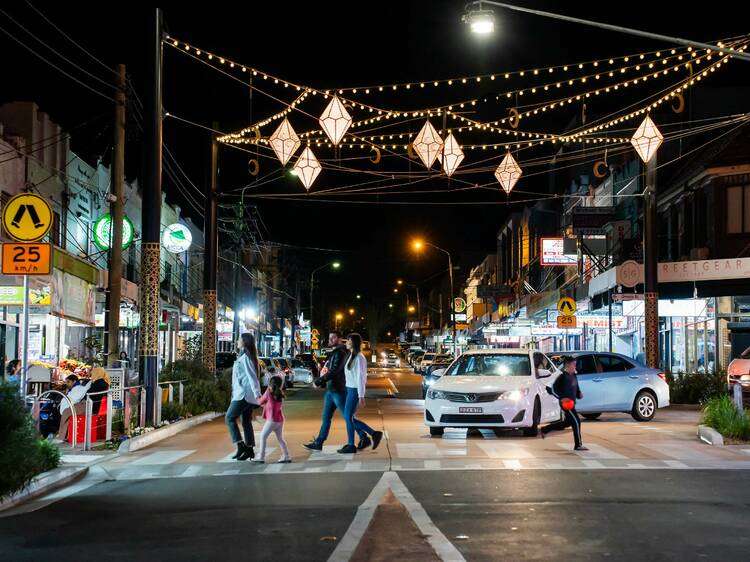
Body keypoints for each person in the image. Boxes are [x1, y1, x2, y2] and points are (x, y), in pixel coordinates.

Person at [303, 331, 348, 451]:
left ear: (339, 339)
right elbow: (329, 370)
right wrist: (323, 380)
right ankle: (319, 442)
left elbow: (334, 371)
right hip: (331, 390)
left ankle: (365, 435)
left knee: (347, 417)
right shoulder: (335, 352)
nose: (331, 340)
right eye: (330, 337)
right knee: (326, 417)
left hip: (338, 390)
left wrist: (318, 381)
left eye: (333, 337)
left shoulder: (340, 353)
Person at [339, 333, 383, 454]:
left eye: (348, 340)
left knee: (348, 417)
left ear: (353, 342)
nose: (346, 342)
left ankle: (352, 444)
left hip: (354, 390)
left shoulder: (359, 358)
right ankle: (373, 434)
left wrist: (361, 395)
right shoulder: (351, 356)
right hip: (349, 389)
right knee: (349, 417)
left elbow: (361, 377)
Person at [226, 333, 262, 461]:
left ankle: (240, 445)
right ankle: (250, 449)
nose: (237, 341)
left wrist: (258, 395)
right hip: (243, 393)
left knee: (229, 417)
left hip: (244, 394)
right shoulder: (243, 355)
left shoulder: (246, 357)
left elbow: (252, 377)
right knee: (246, 421)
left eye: (239, 339)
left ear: (245, 342)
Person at [540, 355, 588, 451]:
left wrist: (579, 394)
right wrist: (561, 398)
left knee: (566, 423)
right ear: (567, 365)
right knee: (576, 421)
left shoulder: (574, 375)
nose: (575, 366)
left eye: (575, 364)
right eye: (574, 364)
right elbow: (553, 389)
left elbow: (576, 388)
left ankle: (545, 429)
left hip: (571, 403)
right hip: (566, 404)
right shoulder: (562, 377)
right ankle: (578, 445)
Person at [251, 375, 291, 464]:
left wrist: (257, 396)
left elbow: (260, 402)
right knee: (280, 438)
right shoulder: (280, 393)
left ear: (270, 384)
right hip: (279, 420)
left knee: (263, 436)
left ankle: (261, 456)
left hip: (272, 420)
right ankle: (286, 456)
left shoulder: (268, 392)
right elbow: (270, 404)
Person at [55, 374, 90, 441]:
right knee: (66, 413)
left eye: (68, 382)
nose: (67, 384)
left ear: (74, 381)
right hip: (75, 406)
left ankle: (62, 436)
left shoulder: (79, 389)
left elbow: (75, 398)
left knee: (66, 413)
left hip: (80, 406)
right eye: (66, 382)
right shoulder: (73, 389)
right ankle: (64, 435)